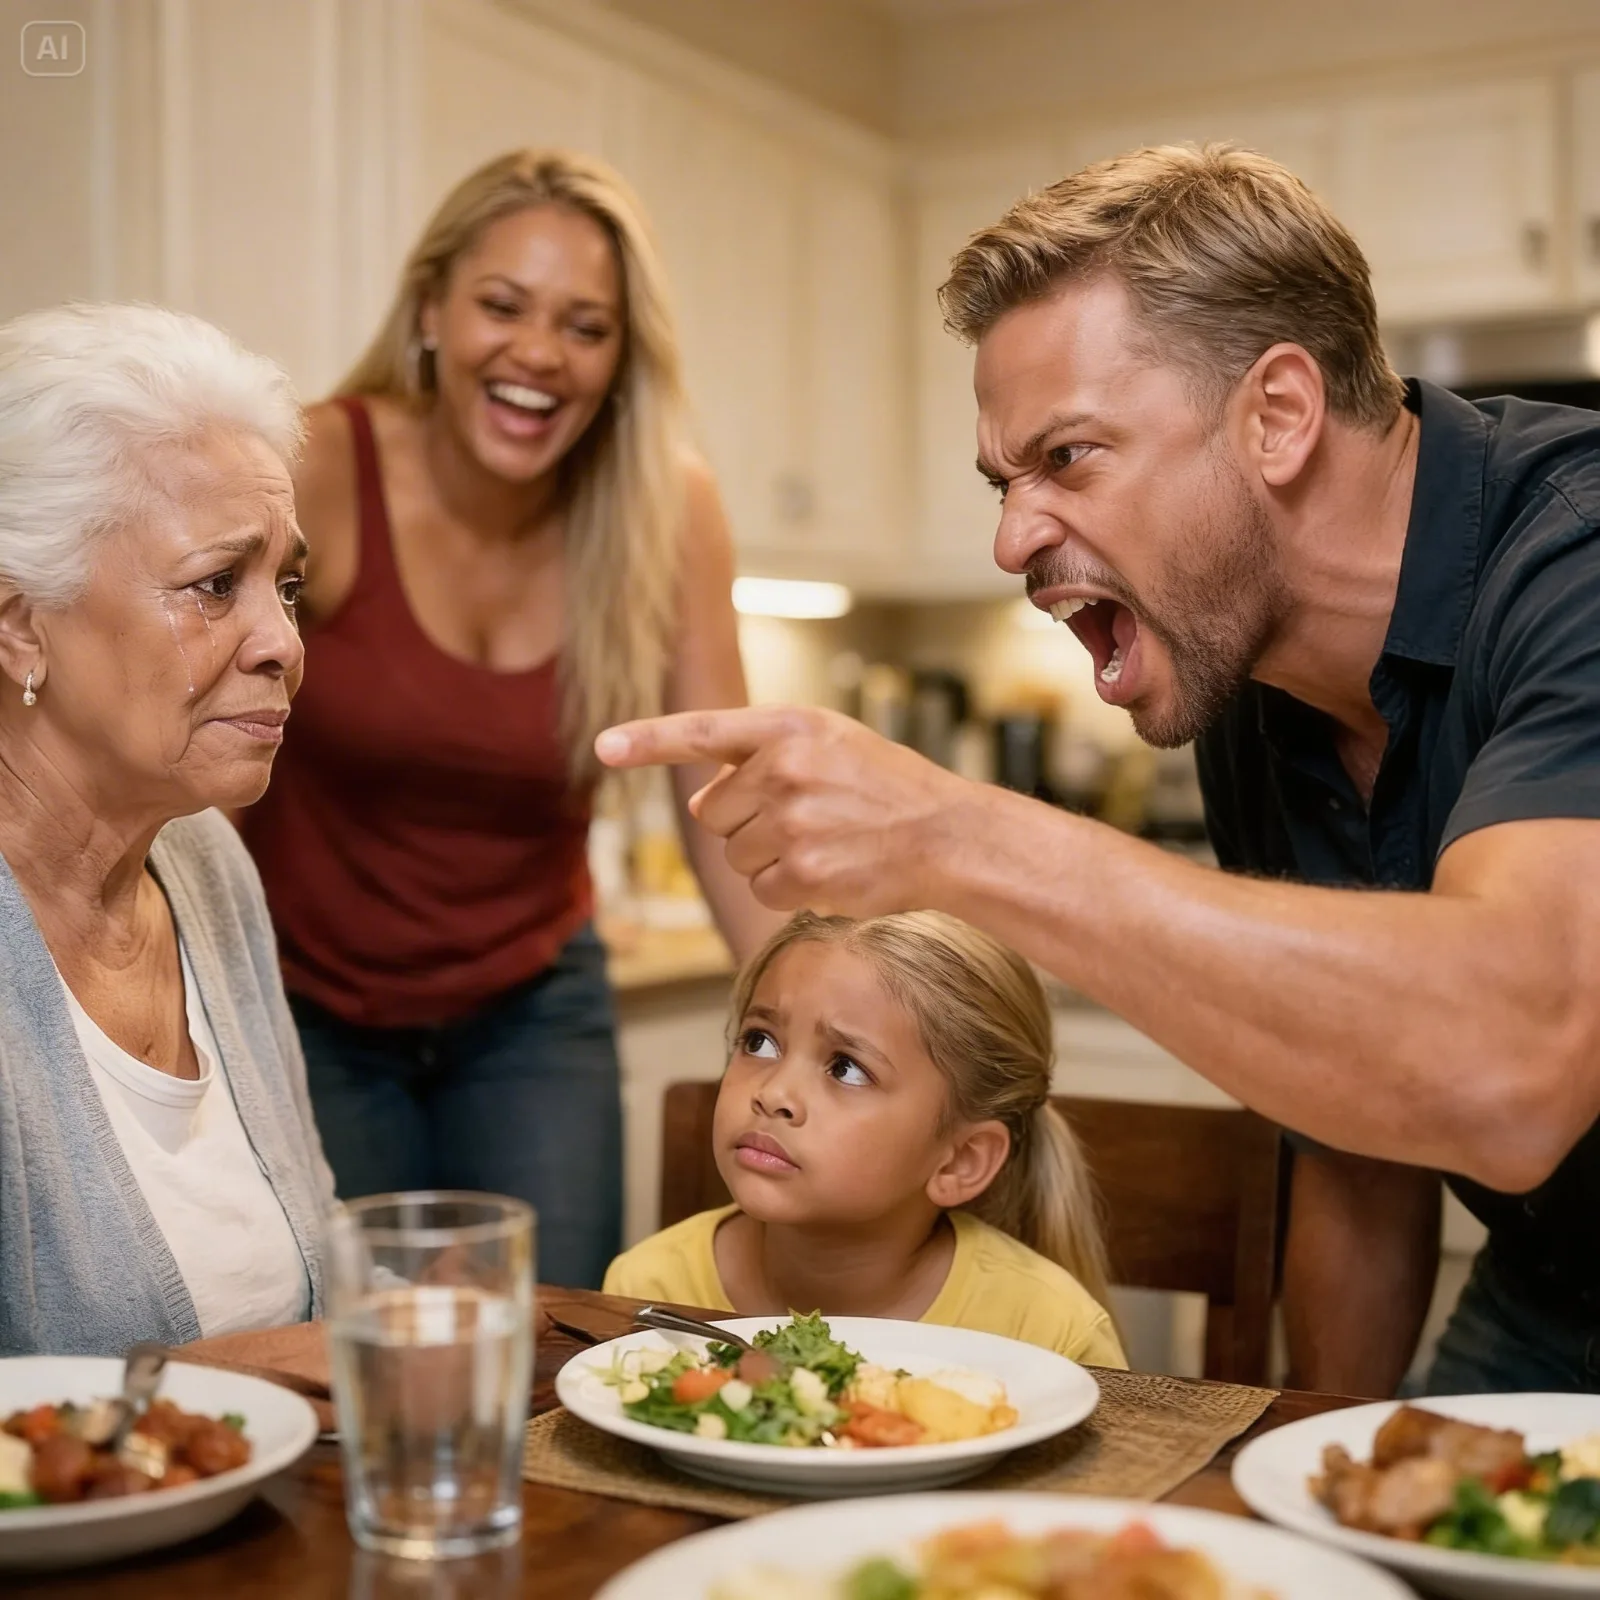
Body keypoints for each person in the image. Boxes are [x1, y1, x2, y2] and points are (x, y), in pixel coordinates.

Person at [596, 143, 1600, 1396]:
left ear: (1277, 415)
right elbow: (1359, 1132)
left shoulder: (1574, 559)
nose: (1013, 535)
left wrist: (959, 835)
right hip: (1551, 1284)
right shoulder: (1245, 668)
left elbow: (1513, 1063)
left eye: (1066, 457)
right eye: (1001, 481)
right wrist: (1320, 1455)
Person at [239, 150, 777, 1291]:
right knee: (358, 1351)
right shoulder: (314, 465)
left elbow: (716, 788)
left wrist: (808, 1001)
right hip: (308, 1006)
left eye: (586, 326)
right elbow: (188, 710)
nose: (539, 354)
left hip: (532, 1008)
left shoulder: (663, 507)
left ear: (621, 356)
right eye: (501, 305)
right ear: (430, 307)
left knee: (549, 1345)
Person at [0, 302, 336, 1356]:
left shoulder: (206, 859)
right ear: (19, 627)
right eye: (214, 585)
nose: (282, 641)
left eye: (285, 586)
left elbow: (319, 1275)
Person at [605, 909, 1126, 1366]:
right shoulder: (649, 1291)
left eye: (847, 1069)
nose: (774, 1092)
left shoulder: (1049, 1335)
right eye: (759, 1041)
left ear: (960, 1162)